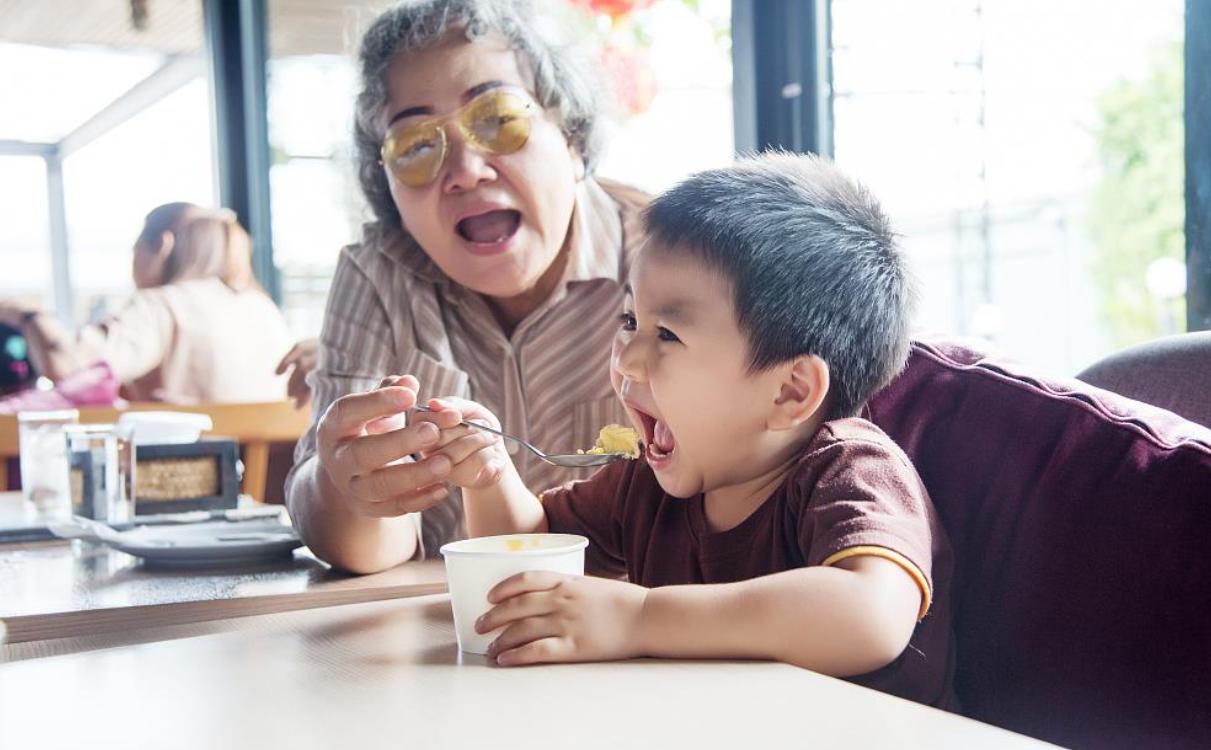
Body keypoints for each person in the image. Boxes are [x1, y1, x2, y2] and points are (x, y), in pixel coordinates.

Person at [413, 153, 956, 708]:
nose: (627, 359)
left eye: (667, 334)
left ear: (790, 392)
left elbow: (868, 616)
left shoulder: (849, 468)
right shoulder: (649, 482)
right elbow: (535, 565)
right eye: (630, 322)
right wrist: (488, 476)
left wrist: (640, 618)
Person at [285, 0, 649, 573]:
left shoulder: (670, 255)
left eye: (499, 119)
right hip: (449, 642)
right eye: (417, 147)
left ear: (572, 140)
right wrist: (344, 485)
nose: (464, 170)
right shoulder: (378, 276)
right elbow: (364, 548)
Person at [0, 203, 294, 404]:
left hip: (191, 485)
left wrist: (23, 314)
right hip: (267, 490)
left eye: (135, 249)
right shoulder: (263, 308)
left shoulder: (161, 306)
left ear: (161, 246)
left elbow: (66, 364)